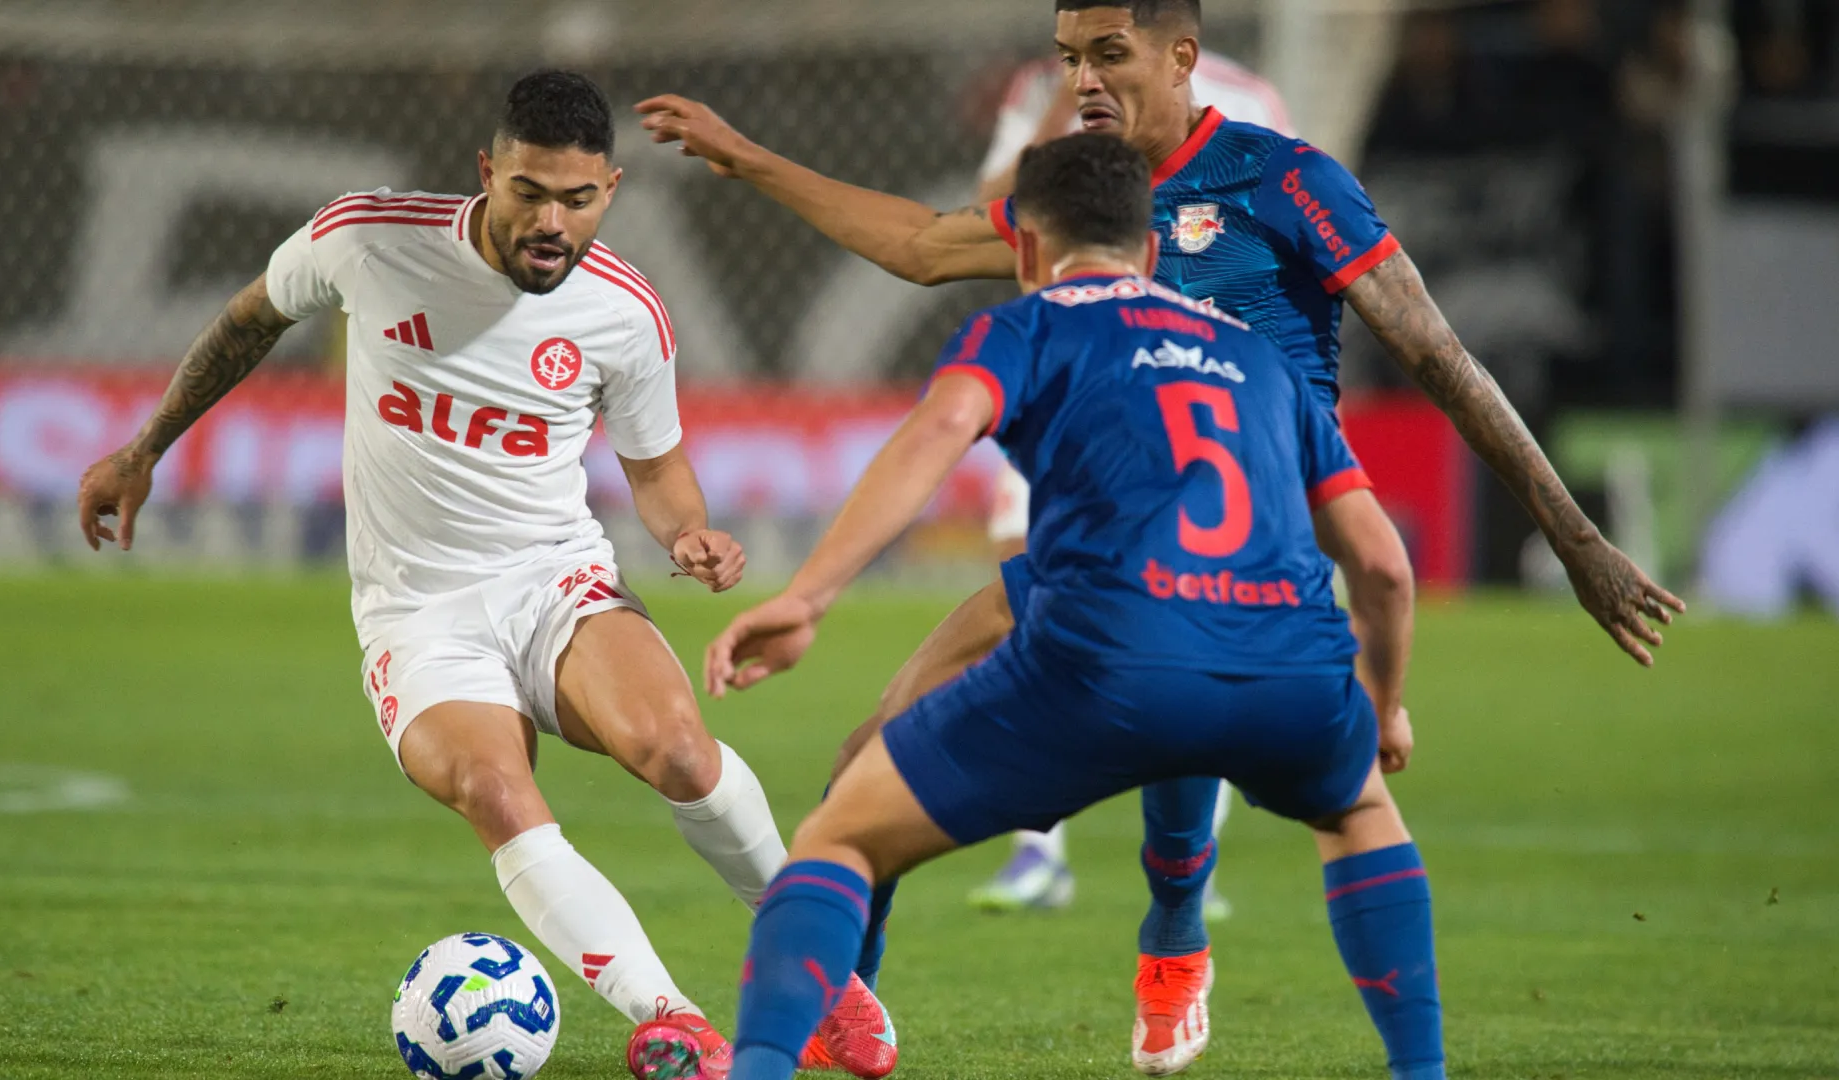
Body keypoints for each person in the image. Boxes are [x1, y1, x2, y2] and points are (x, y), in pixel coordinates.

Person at [639, 1, 1682, 1068]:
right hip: (1081, 559)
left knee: (1169, 727)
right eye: (1067, 58)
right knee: (866, 754)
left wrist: (1575, 537)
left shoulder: (1285, 182)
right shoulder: (1082, 200)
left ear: (1182, 56)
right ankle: (843, 1018)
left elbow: (1443, 360)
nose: (1083, 80)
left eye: (1107, 55)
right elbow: (915, 242)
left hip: (1255, 547)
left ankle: (1174, 939)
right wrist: (750, 157)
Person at [75, 70, 801, 1080]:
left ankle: (822, 973)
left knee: (678, 750)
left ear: (612, 191)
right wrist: (145, 447)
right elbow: (249, 319)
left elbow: (656, 468)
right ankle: (669, 1019)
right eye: (530, 192)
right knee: (495, 791)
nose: (553, 221)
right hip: (418, 612)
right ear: (486, 173)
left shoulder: (623, 313)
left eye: (578, 199)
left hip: (555, 581)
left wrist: (688, 535)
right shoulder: (368, 239)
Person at [704, 131, 1449, 1080]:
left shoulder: (1029, 325)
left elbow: (937, 431)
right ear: (1149, 252)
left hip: (1111, 649)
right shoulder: (1261, 363)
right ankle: (1420, 1071)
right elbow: (1383, 567)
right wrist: (1380, 707)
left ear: (1023, 251)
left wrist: (809, 595)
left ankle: (773, 1056)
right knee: (1362, 815)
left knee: (841, 831)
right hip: (1288, 655)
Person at [968, 39, 1292, 919]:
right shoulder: (1044, 86)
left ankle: (1193, 862)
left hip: (1195, 388)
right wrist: (1046, 122)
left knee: (1201, 602)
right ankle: (1036, 848)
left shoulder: (1250, 98)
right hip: (1075, 374)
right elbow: (993, 207)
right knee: (1022, 584)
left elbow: (1283, 234)